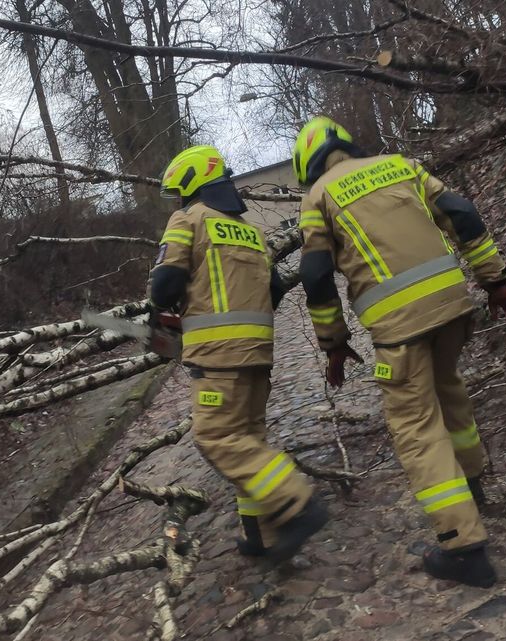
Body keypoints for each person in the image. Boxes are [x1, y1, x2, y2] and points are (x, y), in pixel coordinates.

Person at [291, 116, 506, 587]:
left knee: (416, 426)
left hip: (400, 328)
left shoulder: (317, 198)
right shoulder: (403, 166)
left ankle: (464, 547)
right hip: (454, 308)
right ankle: (472, 485)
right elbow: (463, 214)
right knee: (447, 389)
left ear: (307, 164)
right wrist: (496, 282)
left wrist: (334, 344)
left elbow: (316, 277)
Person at [148, 144, 328, 562]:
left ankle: (297, 503)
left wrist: (169, 312)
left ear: (191, 185)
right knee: (249, 440)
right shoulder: (252, 233)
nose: (177, 202)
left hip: (218, 359)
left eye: (178, 193)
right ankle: (260, 538)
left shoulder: (187, 219)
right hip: (258, 355)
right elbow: (275, 291)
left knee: (217, 437)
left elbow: (164, 286)